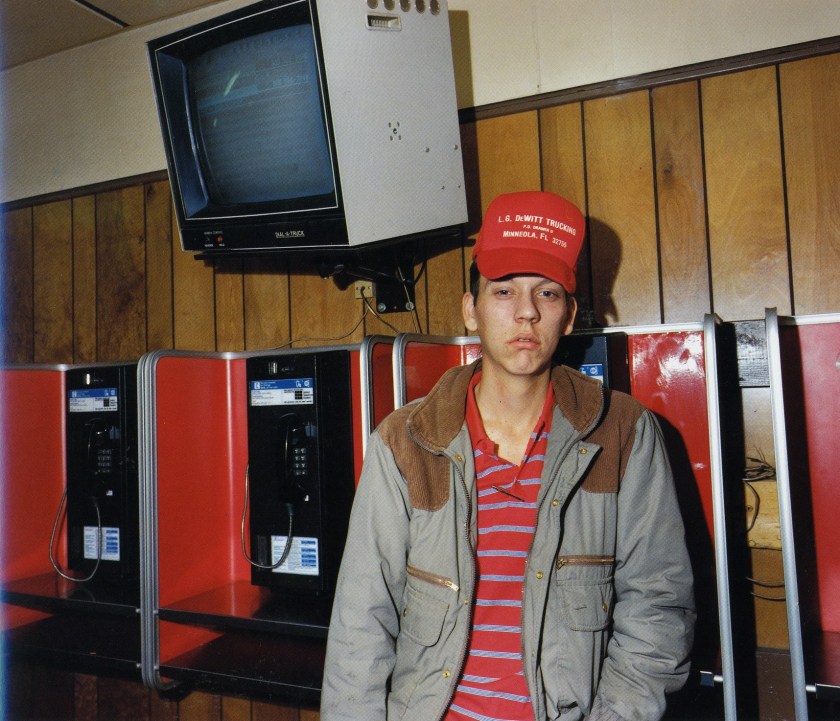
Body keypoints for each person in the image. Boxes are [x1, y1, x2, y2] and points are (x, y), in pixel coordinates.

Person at [321, 190, 696, 721]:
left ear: (568, 317)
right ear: (470, 311)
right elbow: (361, 623)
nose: (525, 312)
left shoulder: (626, 435)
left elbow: (657, 613)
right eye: (503, 292)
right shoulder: (405, 441)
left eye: (547, 293)